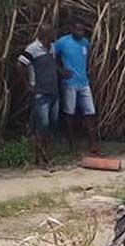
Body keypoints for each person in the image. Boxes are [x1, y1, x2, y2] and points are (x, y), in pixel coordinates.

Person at [54, 18, 101, 155]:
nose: (80, 32)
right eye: (78, 29)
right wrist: (61, 71)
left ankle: (93, 144)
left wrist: (86, 71)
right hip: (70, 83)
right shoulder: (63, 42)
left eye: (82, 30)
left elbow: (86, 60)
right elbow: (51, 56)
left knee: (90, 112)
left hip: (84, 82)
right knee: (70, 113)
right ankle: (72, 144)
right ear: (72, 29)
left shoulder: (85, 42)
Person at [17, 25, 58, 169]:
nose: (54, 35)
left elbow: (51, 65)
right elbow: (20, 65)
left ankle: (45, 155)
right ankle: (39, 159)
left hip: (53, 91)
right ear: (44, 35)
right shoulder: (32, 49)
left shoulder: (52, 47)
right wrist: (28, 85)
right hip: (40, 93)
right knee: (42, 125)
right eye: (52, 33)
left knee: (51, 123)